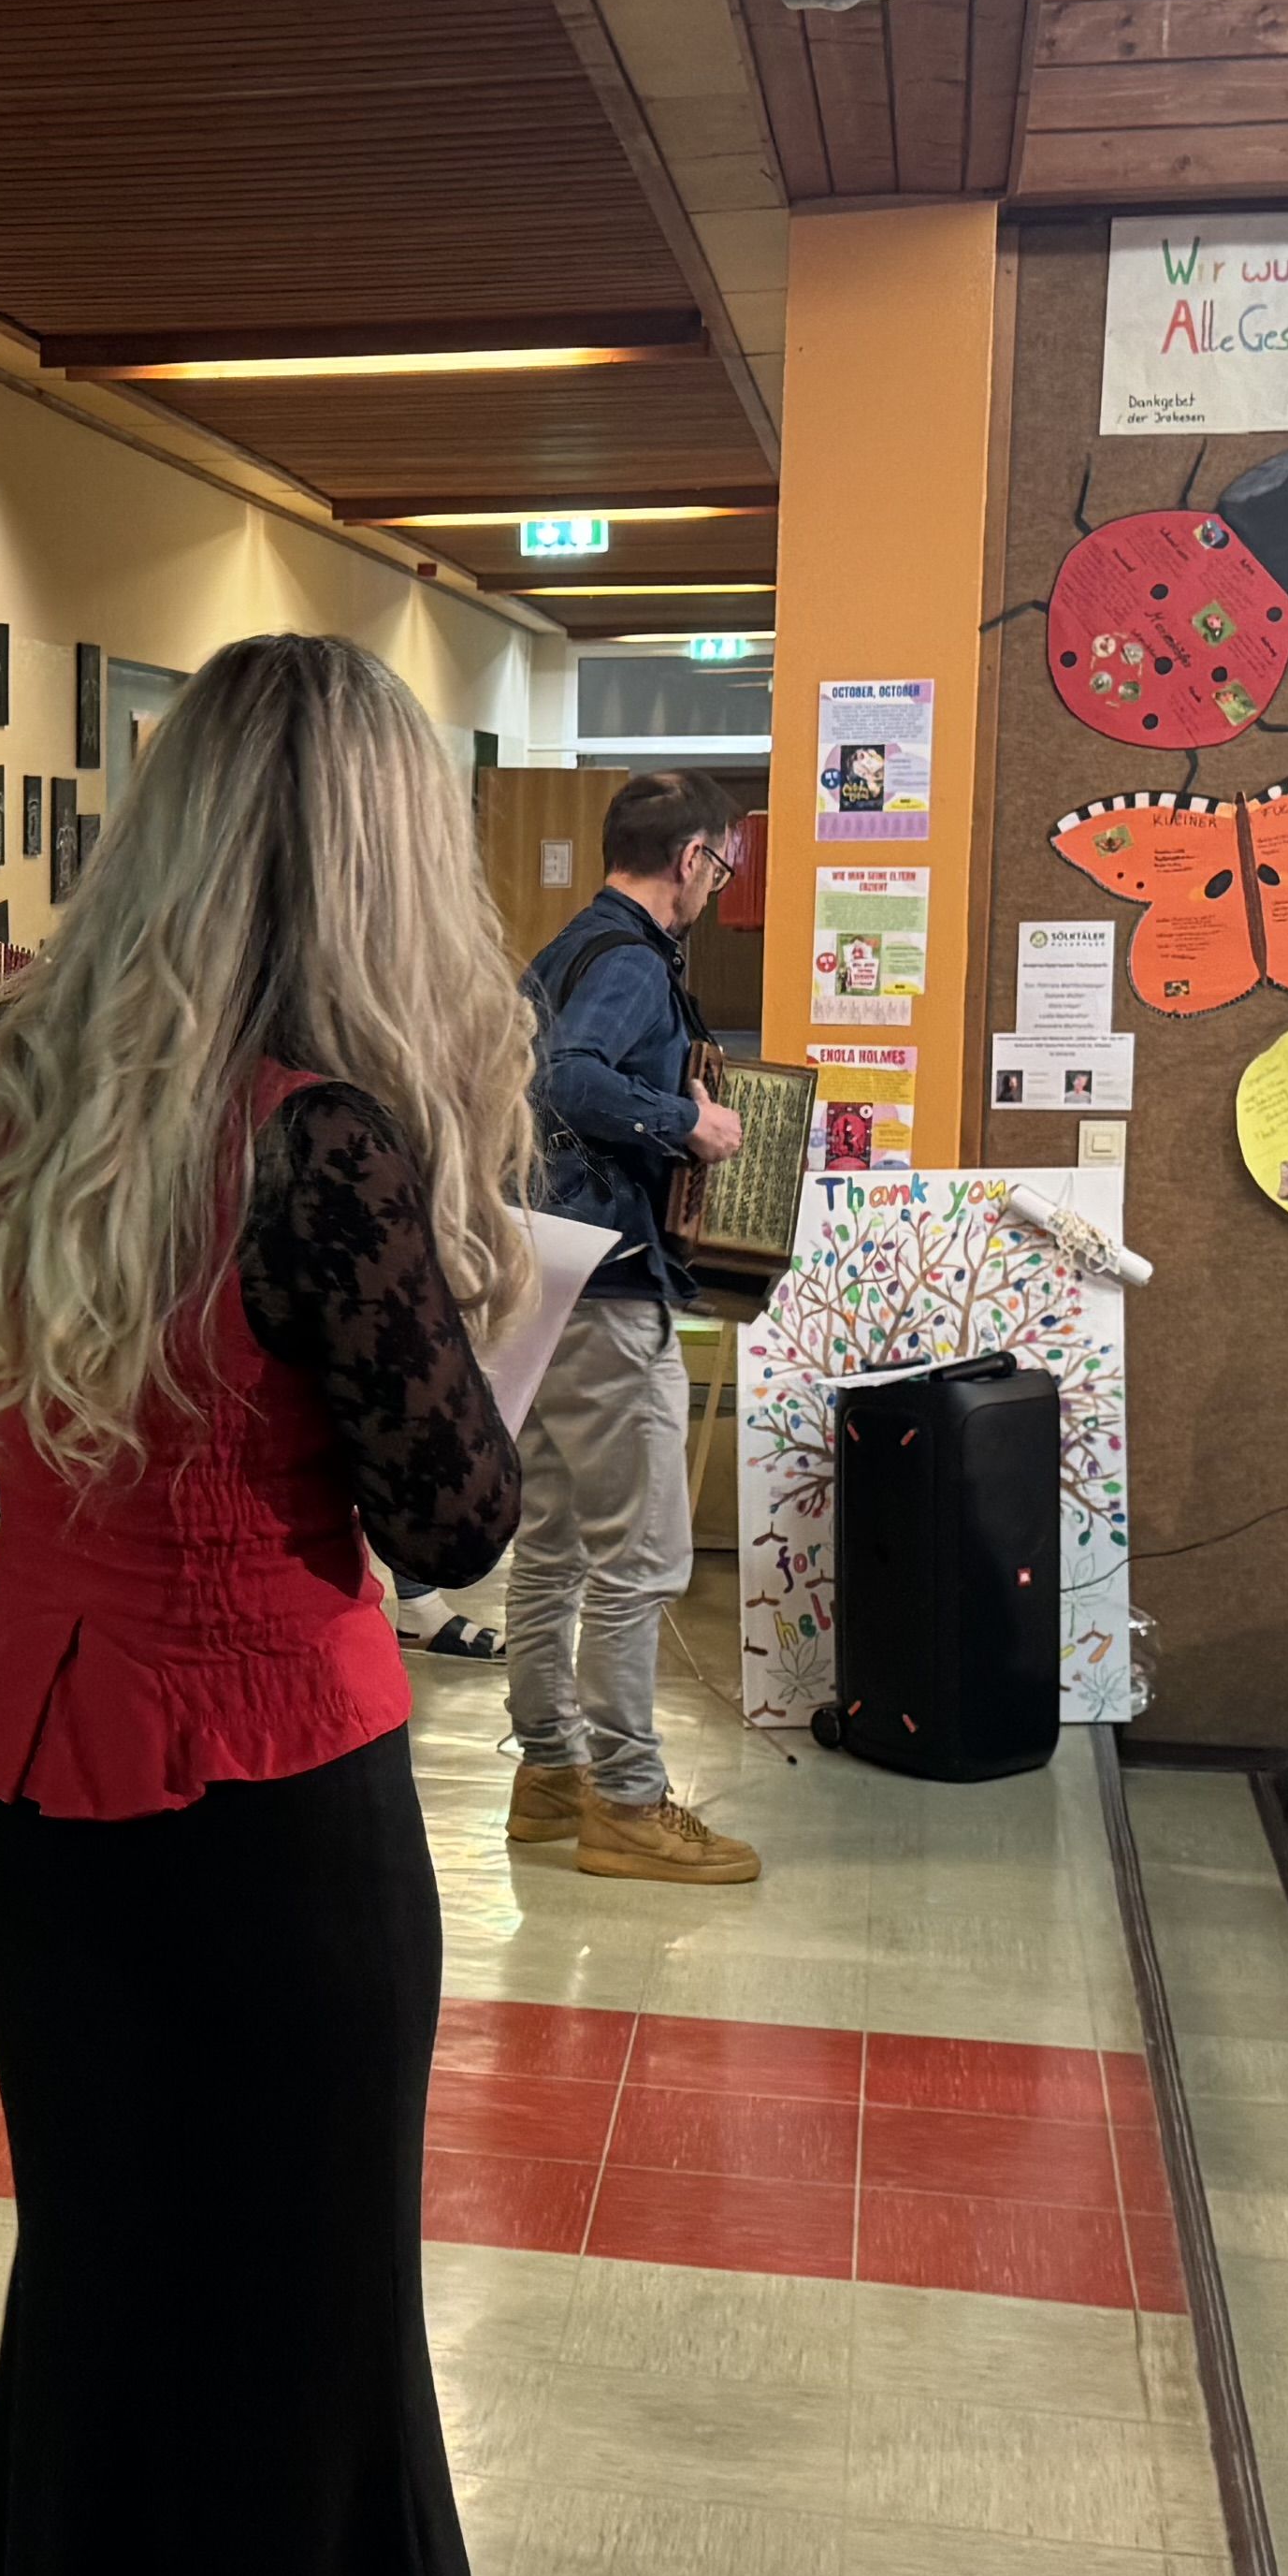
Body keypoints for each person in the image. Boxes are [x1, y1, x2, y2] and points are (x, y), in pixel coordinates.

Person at [0, 633, 551, 2576]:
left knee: (102, 2313)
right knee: (295, 2396)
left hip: (30, 1788)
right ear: (381, 861)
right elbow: (452, 1522)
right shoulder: (325, 1152)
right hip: (267, 1813)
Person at [503, 771, 753, 1885]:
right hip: (606, 1290)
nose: (717, 886)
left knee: (552, 1541)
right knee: (640, 1560)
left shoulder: (561, 950)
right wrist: (685, 1119)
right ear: (692, 858)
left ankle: (549, 1773)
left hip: (541, 1275)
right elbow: (568, 1082)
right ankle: (627, 1800)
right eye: (722, 867)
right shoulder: (635, 965)